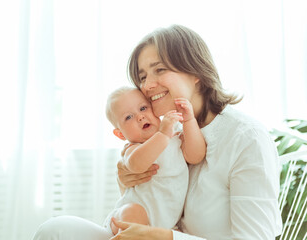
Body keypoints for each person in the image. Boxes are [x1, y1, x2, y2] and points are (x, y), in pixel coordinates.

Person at [32, 24, 282, 240]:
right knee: (57, 229)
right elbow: (151, 197)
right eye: (142, 76)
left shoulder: (247, 138)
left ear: (195, 72)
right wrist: (128, 178)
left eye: (160, 70)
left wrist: (165, 237)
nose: (147, 85)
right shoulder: (163, 130)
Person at [103, 86, 205, 235]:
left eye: (143, 108)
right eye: (128, 117)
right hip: (128, 217)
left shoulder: (175, 137)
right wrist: (163, 134)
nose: (140, 117)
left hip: (163, 225)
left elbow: (196, 156)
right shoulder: (134, 148)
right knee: (133, 212)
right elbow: (136, 165)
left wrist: (189, 120)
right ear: (120, 134)